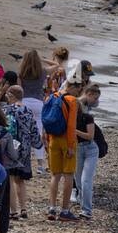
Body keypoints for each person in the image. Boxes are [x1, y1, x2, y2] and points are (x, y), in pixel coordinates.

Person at [45, 66, 84, 222]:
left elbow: (46, 120)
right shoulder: (71, 100)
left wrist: (48, 140)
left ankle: (52, 208)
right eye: (79, 90)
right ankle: (65, 210)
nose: (78, 93)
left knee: (55, 175)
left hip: (53, 138)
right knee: (68, 175)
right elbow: (71, 126)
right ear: (74, 86)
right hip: (66, 140)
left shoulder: (51, 97)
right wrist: (70, 146)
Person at [2, 85, 37, 221]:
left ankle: (13, 211)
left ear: (11, 95)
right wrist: (37, 145)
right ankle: (24, 209)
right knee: (20, 180)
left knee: (10, 179)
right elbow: (33, 129)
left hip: (11, 147)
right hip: (25, 147)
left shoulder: (8, 109)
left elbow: (5, 128)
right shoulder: (28, 110)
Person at [74, 83, 104, 221]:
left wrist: (74, 131)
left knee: (86, 180)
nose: (96, 101)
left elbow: (90, 136)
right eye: (95, 98)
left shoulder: (87, 115)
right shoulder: (80, 105)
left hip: (90, 148)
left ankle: (87, 210)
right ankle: (81, 201)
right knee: (79, 179)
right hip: (78, 147)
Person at [16, 49, 49, 174]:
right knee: (38, 133)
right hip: (38, 103)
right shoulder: (43, 72)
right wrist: (43, 60)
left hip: (24, 101)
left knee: (24, 132)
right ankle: (40, 165)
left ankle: (24, 161)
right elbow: (57, 66)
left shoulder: (21, 73)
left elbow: (19, 89)